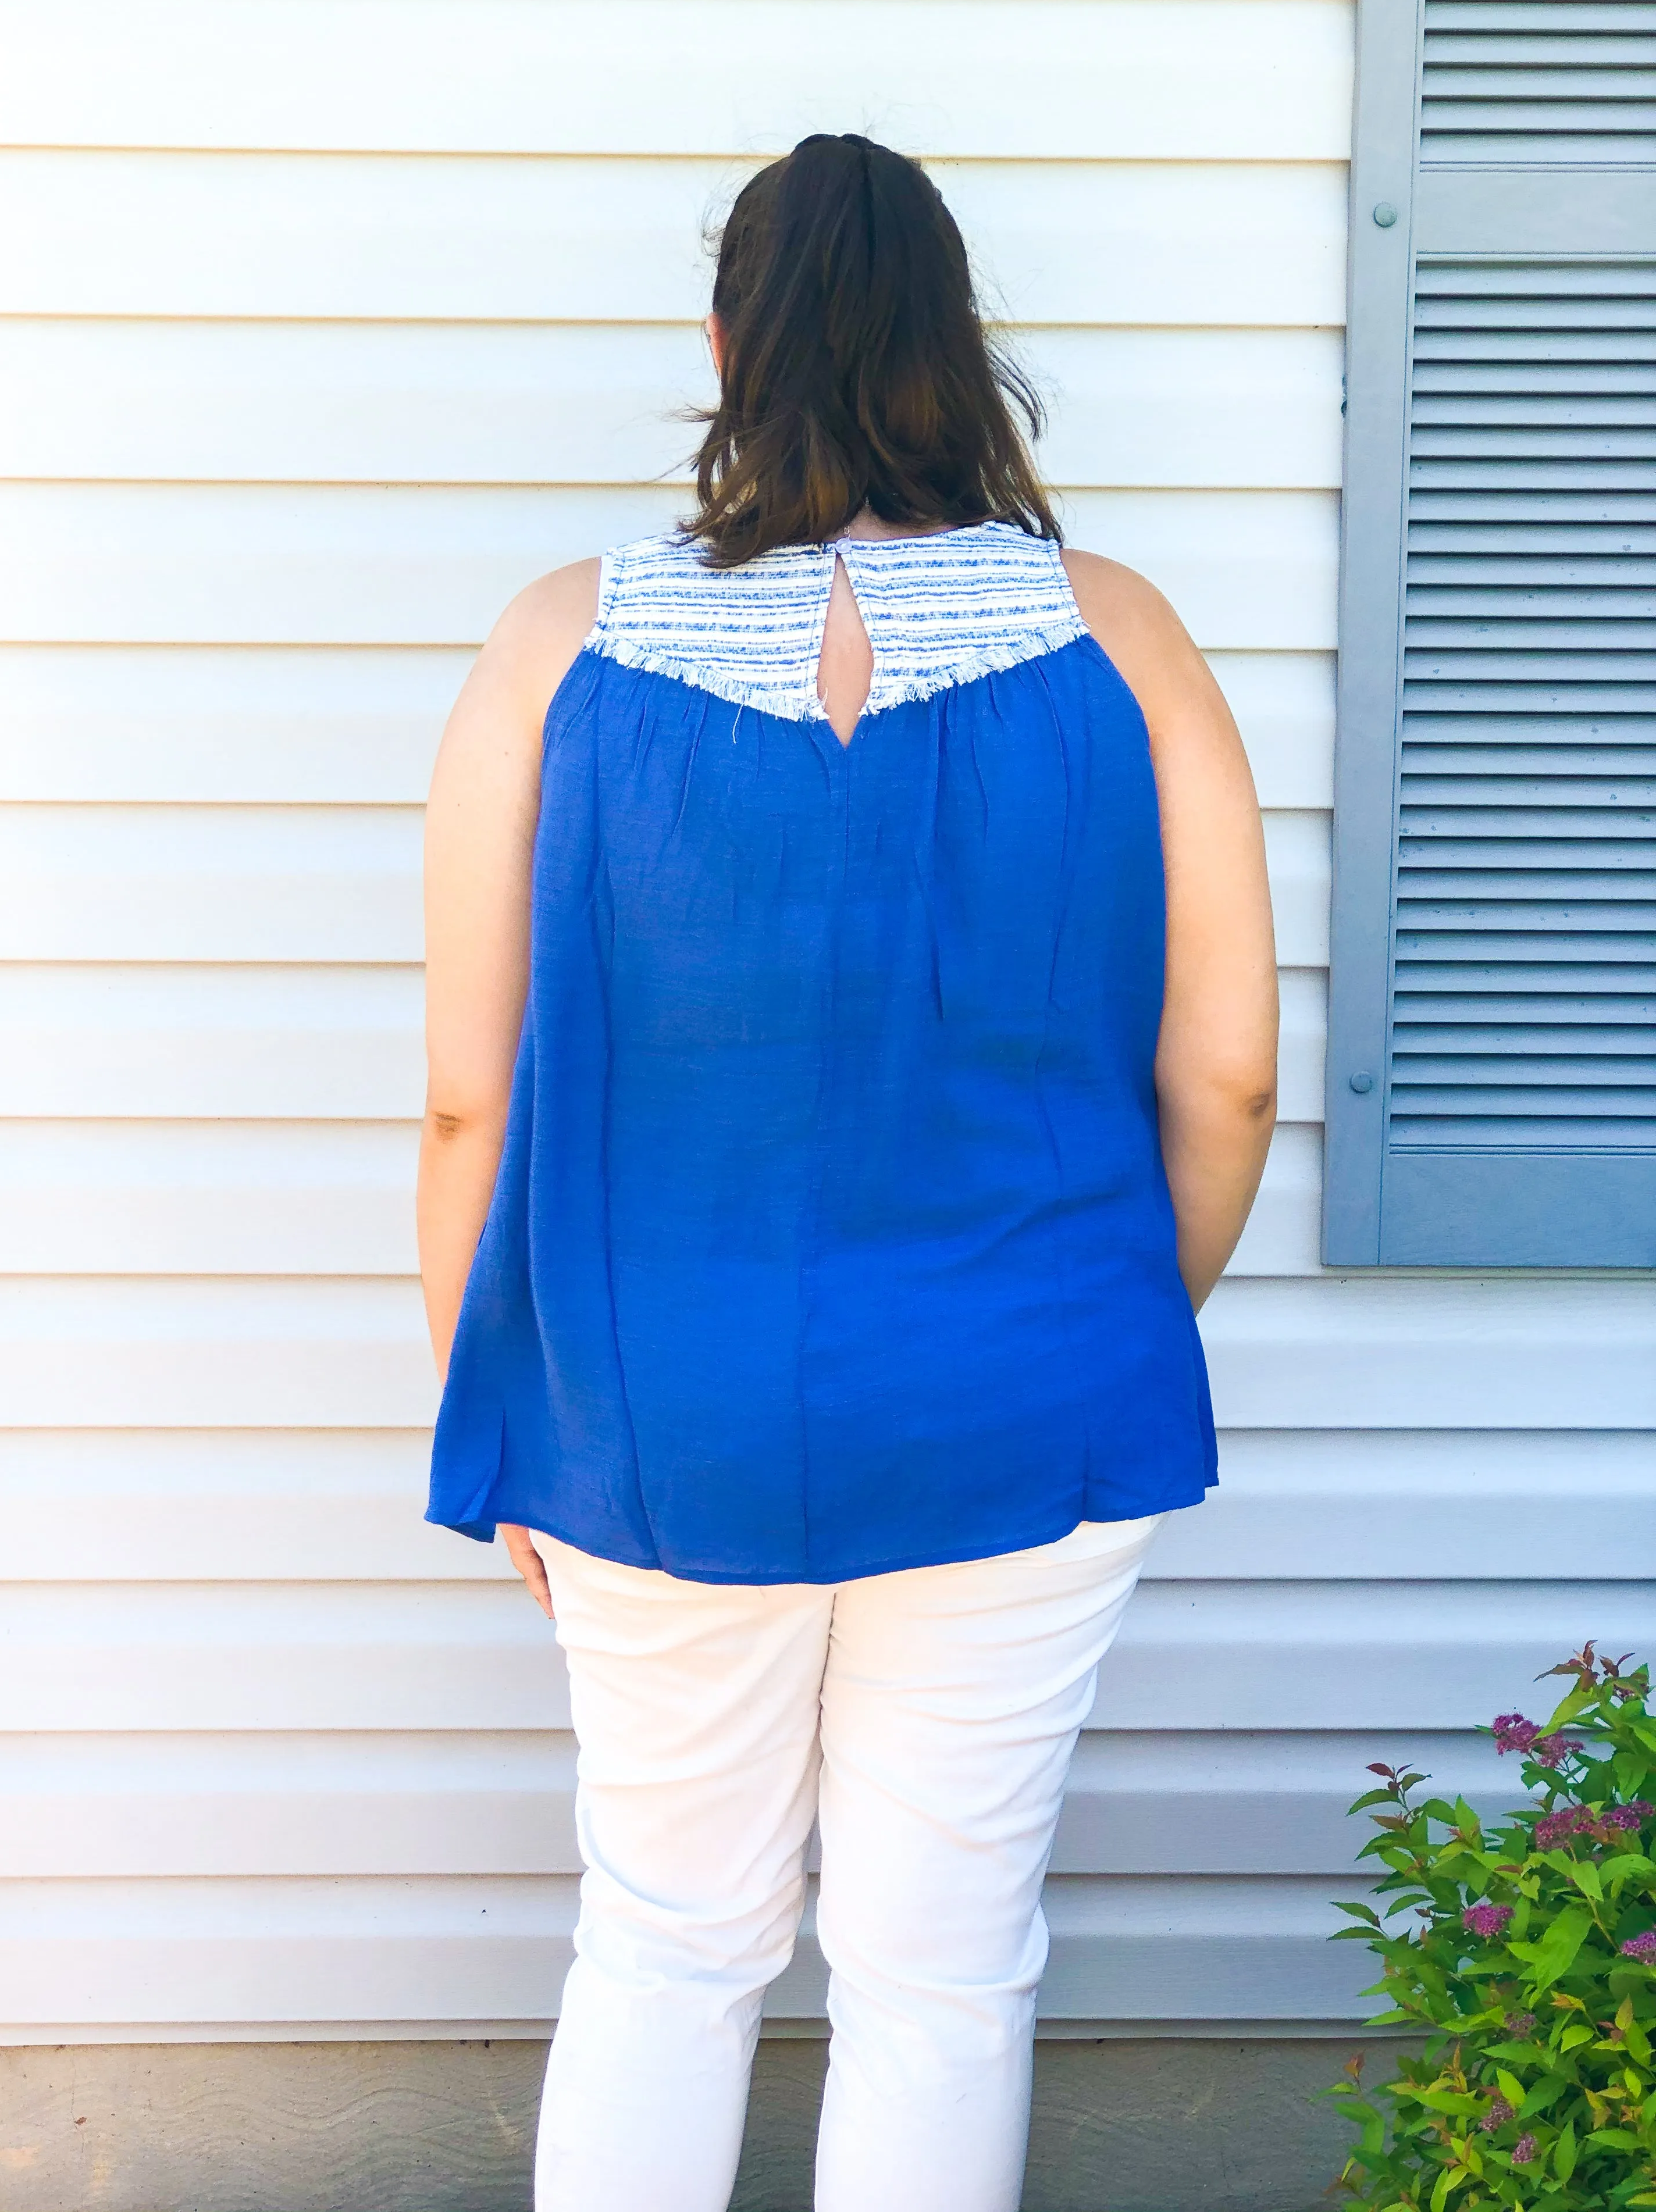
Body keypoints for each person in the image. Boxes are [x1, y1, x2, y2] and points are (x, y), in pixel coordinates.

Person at [418, 131, 1277, 2212]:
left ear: (724, 350)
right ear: (960, 362)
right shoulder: (1127, 636)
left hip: (652, 1409)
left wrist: (510, 1403)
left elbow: (466, 1104)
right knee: (943, 1963)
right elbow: (1233, 1081)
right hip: (1032, 1386)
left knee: (671, 1932)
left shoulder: (561, 644)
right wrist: (1097, 1325)